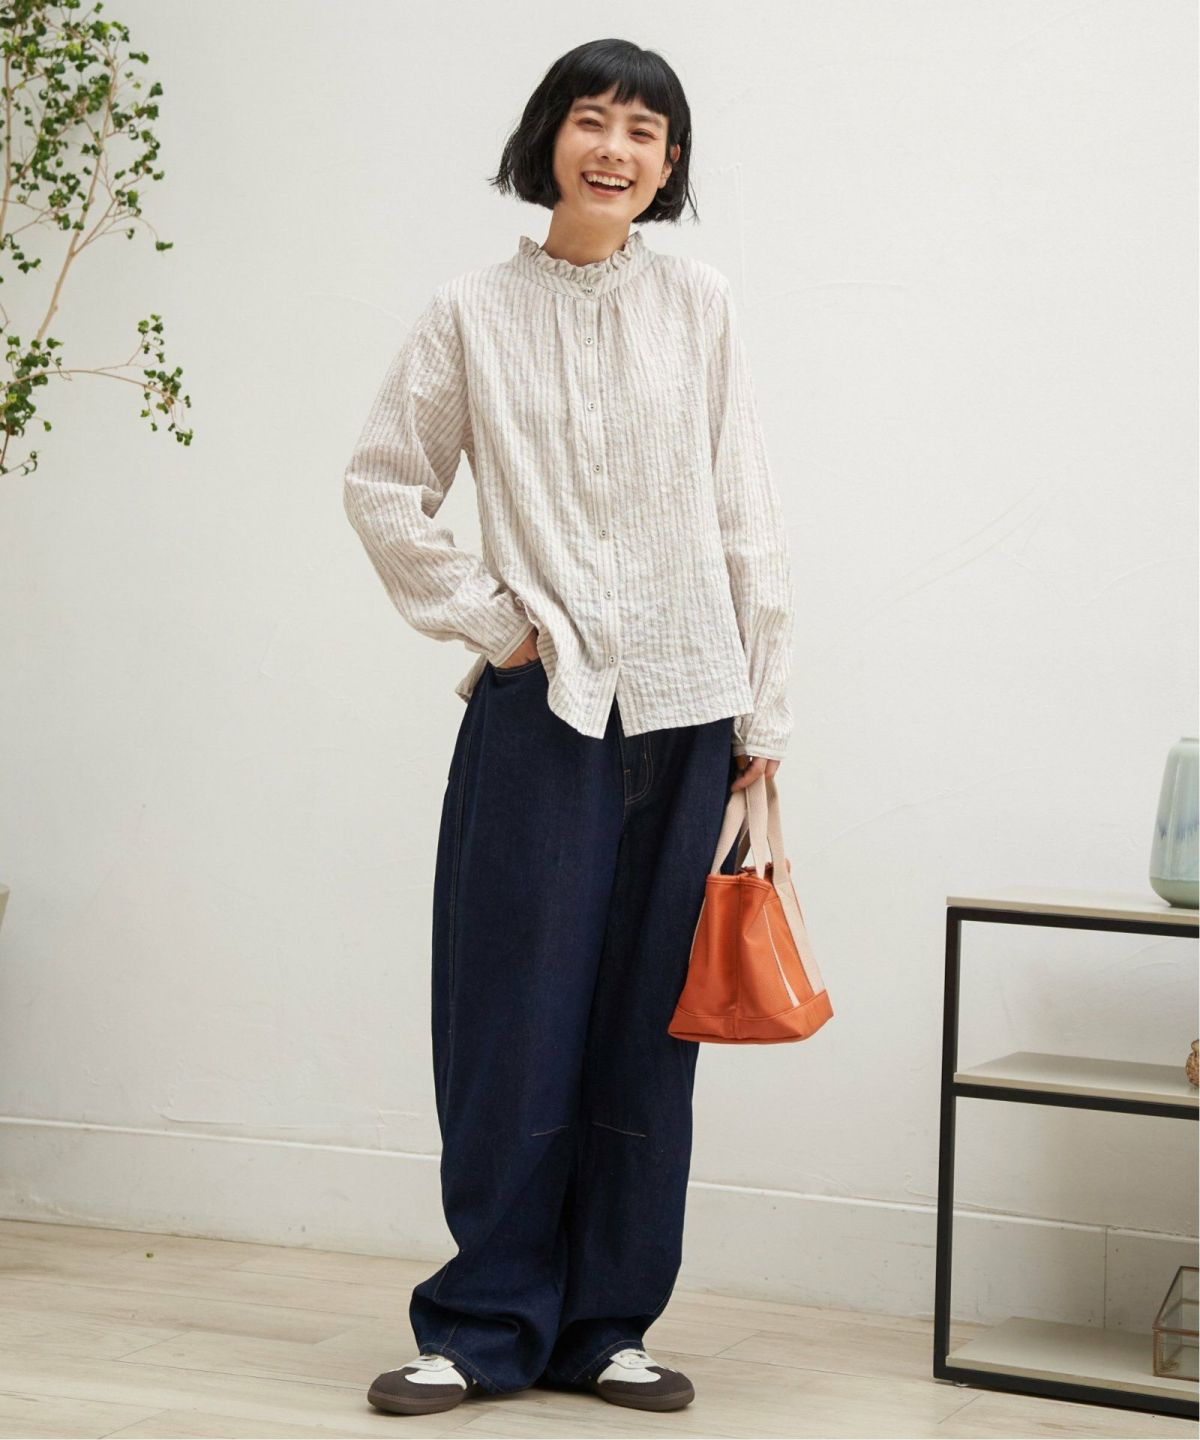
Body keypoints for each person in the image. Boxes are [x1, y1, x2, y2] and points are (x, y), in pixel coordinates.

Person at [343, 36, 794, 1418]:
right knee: (511, 1023)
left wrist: (764, 713)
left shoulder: (699, 304)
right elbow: (382, 483)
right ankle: (482, 1325)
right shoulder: (469, 312)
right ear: (549, 137)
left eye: (646, 131)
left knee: (650, 1033)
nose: (617, 149)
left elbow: (742, 508)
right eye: (594, 120)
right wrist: (496, 624)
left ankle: (606, 1327)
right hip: (543, 716)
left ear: (670, 163)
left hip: (690, 708)